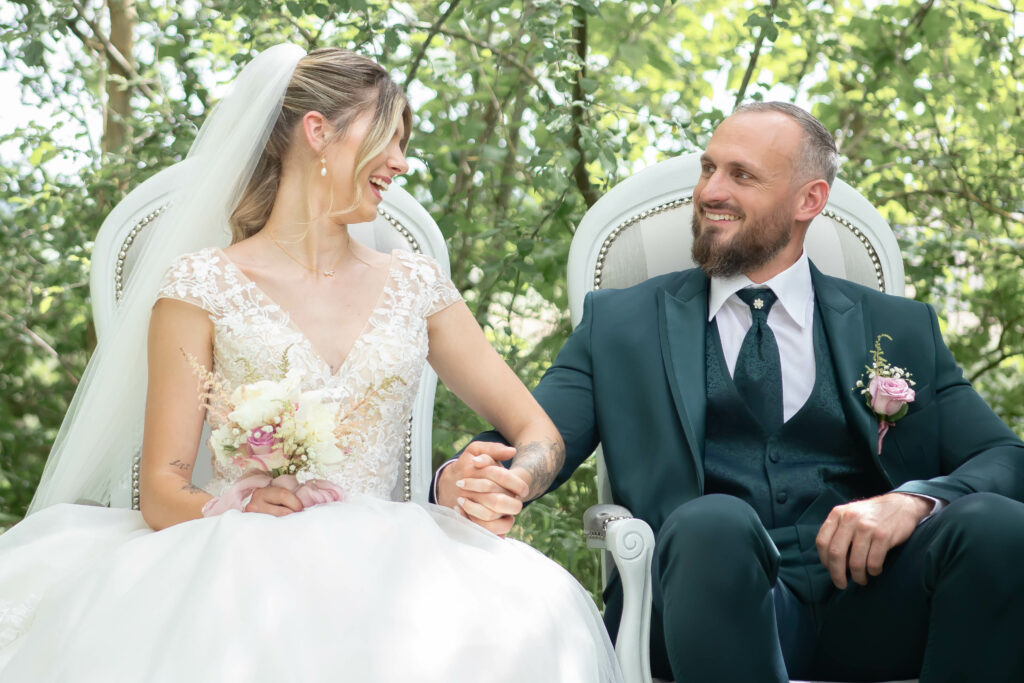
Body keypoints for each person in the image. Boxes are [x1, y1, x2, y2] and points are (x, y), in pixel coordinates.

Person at [0, 44, 622, 682]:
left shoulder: (417, 287)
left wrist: (512, 483)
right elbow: (163, 487)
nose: (401, 162)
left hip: (395, 567)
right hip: (236, 560)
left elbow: (539, 434)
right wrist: (237, 511)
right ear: (318, 132)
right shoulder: (200, 286)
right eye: (387, 137)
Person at [437, 102, 1024, 682]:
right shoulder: (622, 323)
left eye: (741, 175)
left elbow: (1006, 458)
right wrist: (474, 476)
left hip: (871, 605)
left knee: (996, 525)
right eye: (708, 168)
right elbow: (540, 435)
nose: (711, 191)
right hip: (705, 605)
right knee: (713, 522)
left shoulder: (895, 326)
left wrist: (914, 500)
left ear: (808, 200)